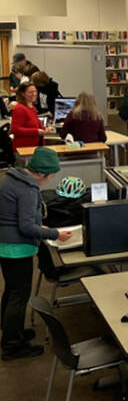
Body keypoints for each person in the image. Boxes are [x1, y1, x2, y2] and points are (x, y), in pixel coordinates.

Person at [0, 147, 72, 360]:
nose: (50, 179)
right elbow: (27, 227)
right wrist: (55, 233)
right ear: (41, 173)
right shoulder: (28, 190)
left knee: (10, 290)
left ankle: (12, 331)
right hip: (16, 248)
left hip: (4, 244)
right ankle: (12, 345)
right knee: (18, 296)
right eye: (50, 175)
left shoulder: (10, 178)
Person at [11, 83, 50, 150]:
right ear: (22, 94)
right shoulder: (19, 109)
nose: (34, 94)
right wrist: (36, 131)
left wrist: (44, 128)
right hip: (24, 149)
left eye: (35, 91)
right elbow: (15, 130)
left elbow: (37, 124)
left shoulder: (32, 108)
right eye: (30, 92)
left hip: (35, 147)